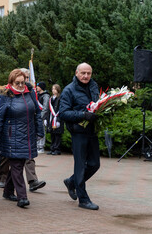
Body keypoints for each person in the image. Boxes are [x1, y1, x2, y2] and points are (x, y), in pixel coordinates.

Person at [0, 69, 44, 208]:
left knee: (19, 165)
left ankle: (8, 191)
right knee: (16, 165)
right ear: (11, 82)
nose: (21, 85)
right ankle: (22, 197)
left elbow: (37, 113)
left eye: (23, 82)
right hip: (11, 136)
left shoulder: (30, 93)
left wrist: (40, 131)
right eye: (18, 83)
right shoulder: (5, 96)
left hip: (28, 135)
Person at [60, 62, 100, 210]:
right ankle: (83, 199)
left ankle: (71, 182)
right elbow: (63, 113)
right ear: (76, 73)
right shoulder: (69, 90)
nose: (86, 76)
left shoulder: (93, 86)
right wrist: (83, 115)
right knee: (80, 166)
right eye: (83, 73)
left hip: (92, 131)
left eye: (88, 73)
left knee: (95, 164)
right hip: (78, 132)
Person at [19, 68, 46, 192]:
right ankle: (5, 180)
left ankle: (32, 181)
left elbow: (36, 110)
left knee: (29, 156)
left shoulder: (31, 91)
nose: (26, 80)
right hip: (14, 129)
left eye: (28, 78)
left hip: (28, 129)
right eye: (24, 77)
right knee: (12, 160)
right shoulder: (10, 90)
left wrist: (39, 130)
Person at [45, 84, 64, 155]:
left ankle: (57, 149)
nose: (53, 90)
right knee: (52, 134)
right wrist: (46, 119)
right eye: (52, 89)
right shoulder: (51, 98)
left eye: (55, 89)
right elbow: (48, 109)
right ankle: (52, 148)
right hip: (51, 118)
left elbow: (61, 109)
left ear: (58, 90)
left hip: (57, 118)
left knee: (57, 135)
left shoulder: (60, 98)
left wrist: (58, 120)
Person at [36, 81, 50, 153]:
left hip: (42, 117)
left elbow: (45, 108)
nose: (37, 87)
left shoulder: (46, 96)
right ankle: (37, 146)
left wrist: (40, 117)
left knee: (41, 131)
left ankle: (41, 147)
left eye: (38, 86)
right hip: (36, 116)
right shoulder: (37, 95)